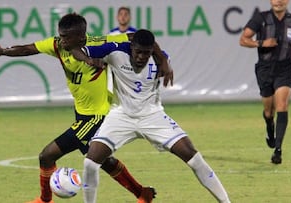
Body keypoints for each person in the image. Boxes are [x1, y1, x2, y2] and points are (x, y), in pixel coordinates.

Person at [0, 14, 169, 203]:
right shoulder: (57, 45)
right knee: (105, 161)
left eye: (66, 37)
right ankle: (142, 193)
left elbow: (138, 37)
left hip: (97, 116)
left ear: (81, 37)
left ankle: (45, 200)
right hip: (81, 115)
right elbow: (28, 49)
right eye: (61, 35)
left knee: (47, 156)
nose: (61, 40)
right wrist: (4, 51)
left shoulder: (99, 44)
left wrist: (162, 59)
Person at [76, 29, 231, 203]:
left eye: (147, 53)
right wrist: (88, 60)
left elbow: (159, 52)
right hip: (121, 116)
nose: (142, 57)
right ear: (131, 47)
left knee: (193, 156)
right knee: (90, 162)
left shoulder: (160, 59)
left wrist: (164, 60)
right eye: (138, 52)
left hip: (152, 115)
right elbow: (76, 49)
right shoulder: (115, 51)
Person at [239, 0, 291, 164]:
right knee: (269, 112)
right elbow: (243, 39)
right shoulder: (260, 18)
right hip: (265, 68)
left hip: (285, 67)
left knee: (282, 106)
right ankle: (270, 127)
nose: (278, 1)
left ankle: (278, 150)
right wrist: (262, 43)